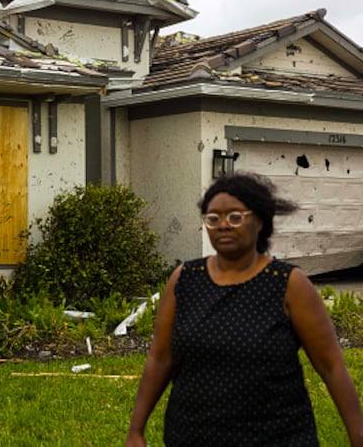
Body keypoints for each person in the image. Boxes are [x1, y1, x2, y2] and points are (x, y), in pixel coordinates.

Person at [125, 172, 363, 446]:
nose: (223, 225)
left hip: (274, 436)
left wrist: (358, 434)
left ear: (259, 221)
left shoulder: (288, 284)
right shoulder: (184, 279)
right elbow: (160, 358)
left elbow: (331, 365)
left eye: (235, 217)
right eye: (213, 219)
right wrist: (136, 430)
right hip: (191, 435)